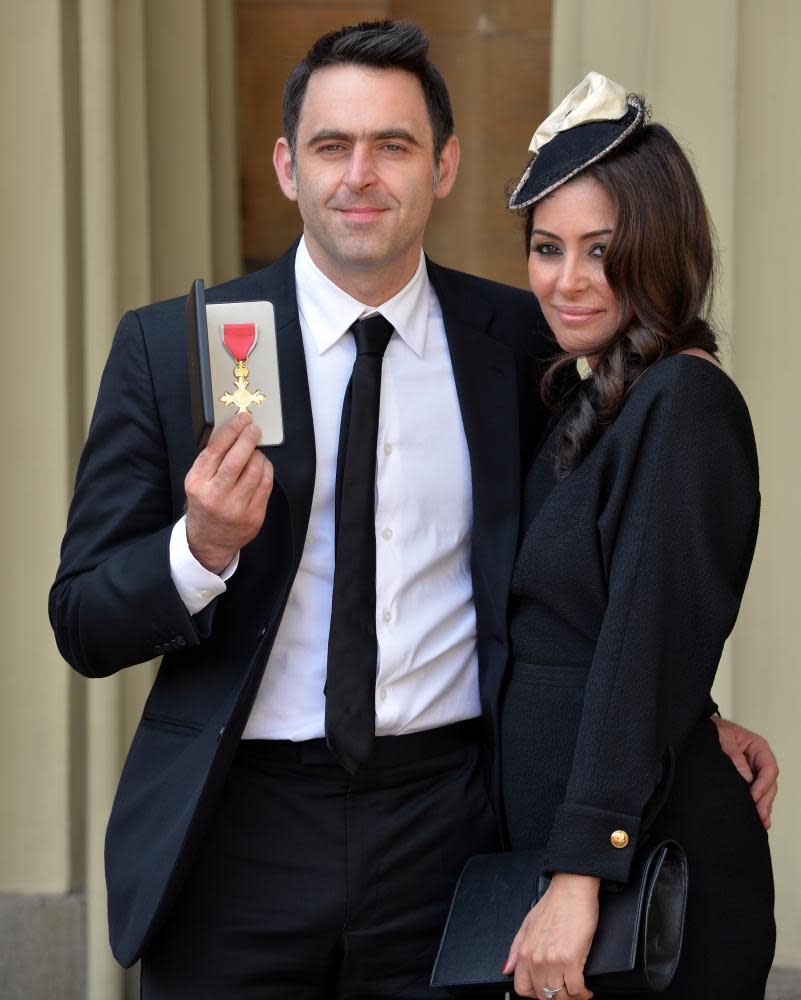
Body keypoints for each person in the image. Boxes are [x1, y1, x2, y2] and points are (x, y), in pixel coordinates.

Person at [48, 25, 776, 999]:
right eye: (330, 145)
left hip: (452, 836)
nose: (360, 174)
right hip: (239, 837)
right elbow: (83, 614)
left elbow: (615, 560)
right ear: (285, 165)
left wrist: (690, 718)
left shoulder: (525, 344)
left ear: (444, 166)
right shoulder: (177, 350)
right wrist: (199, 549)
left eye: (393, 145)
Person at [499, 74, 776, 1000]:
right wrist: (695, 716)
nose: (566, 280)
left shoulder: (683, 400)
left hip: (634, 877)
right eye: (546, 248)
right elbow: (611, 617)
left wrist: (581, 874)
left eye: (600, 250)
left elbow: (639, 640)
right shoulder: (600, 396)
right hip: (583, 857)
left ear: (659, 251)